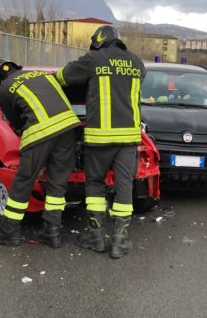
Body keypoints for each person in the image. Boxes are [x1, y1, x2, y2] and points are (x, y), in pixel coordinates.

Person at [54, 25, 146, 259]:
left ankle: (96, 238)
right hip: (128, 140)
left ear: (98, 42)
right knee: (125, 187)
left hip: (98, 139)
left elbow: (63, 77)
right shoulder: (137, 63)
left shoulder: (94, 59)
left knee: (95, 185)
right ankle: (119, 242)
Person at [0, 58, 81, 249]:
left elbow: (17, 122)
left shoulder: (5, 89)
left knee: (23, 181)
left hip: (41, 132)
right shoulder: (44, 76)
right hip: (70, 129)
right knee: (57, 183)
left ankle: (9, 232)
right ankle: (52, 233)